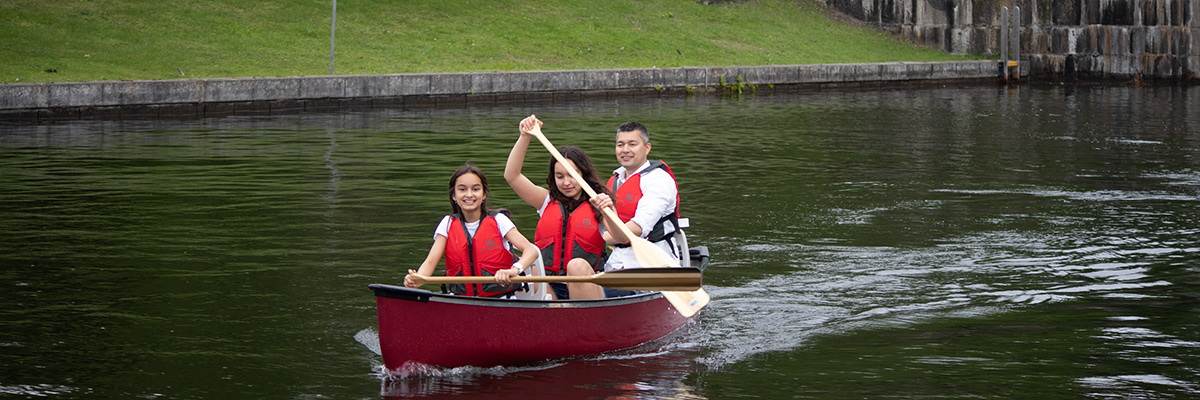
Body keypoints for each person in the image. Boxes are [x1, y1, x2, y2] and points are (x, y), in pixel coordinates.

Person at [504, 115, 612, 300]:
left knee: (576, 265)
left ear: (583, 174)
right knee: (530, 268)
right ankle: (553, 318)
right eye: (559, 176)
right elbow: (512, 176)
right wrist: (525, 136)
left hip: (588, 284)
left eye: (572, 175)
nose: (566, 182)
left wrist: (609, 212)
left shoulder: (599, 202)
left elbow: (620, 238)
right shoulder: (545, 200)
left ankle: (582, 320)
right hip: (550, 285)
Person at [404, 162, 539, 297]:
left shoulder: (499, 220)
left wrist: (514, 270)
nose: (469, 195)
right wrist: (416, 280)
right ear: (454, 196)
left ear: (484, 194)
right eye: (462, 190)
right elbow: (430, 261)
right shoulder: (447, 224)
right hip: (461, 300)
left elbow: (531, 251)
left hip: (501, 299)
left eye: (475, 189)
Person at [591, 121, 680, 278]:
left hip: (654, 263)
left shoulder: (659, 180)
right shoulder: (615, 180)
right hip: (617, 262)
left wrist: (600, 239)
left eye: (632, 144)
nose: (625, 150)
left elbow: (637, 229)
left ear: (647, 148)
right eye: (620, 145)